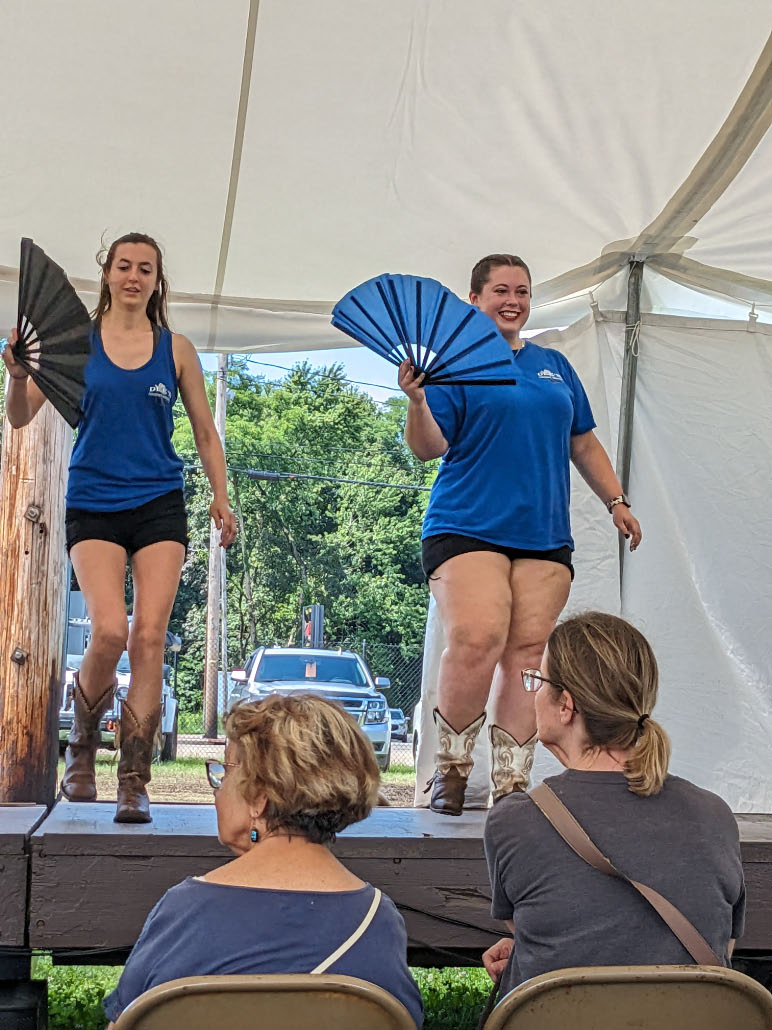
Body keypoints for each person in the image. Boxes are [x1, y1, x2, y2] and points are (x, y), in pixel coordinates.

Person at [2, 232, 237, 823]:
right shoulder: (77, 344)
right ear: (107, 274)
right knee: (109, 632)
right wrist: (18, 374)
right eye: (124, 266)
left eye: (147, 269)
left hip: (160, 500)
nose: (134, 276)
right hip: (95, 500)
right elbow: (20, 414)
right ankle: (81, 746)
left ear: (158, 282)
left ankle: (133, 777)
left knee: (149, 638)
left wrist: (220, 496)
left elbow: (205, 433)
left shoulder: (176, 348)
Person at [399, 254, 642, 815]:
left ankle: (512, 783)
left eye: (523, 291)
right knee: (477, 638)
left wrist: (617, 501)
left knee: (530, 655)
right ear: (476, 299)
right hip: (467, 525)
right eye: (501, 290)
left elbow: (582, 442)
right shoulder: (454, 367)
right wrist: (416, 399)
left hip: (542, 533)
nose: (513, 300)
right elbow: (428, 446)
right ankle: (452, 773)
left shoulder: (553, 365)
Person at [102, 694, 423, 1028]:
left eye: (224, 772)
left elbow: (125, 1022)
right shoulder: (378, 918)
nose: (218, 789)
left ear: (258, 798)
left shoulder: (183, 909)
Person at [482, 612, 745, 1000]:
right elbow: (721, 949)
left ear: (566, 706)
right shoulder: (715, 815)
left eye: (537, 680)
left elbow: (537, 928)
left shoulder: (516, 820)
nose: (533, 691)